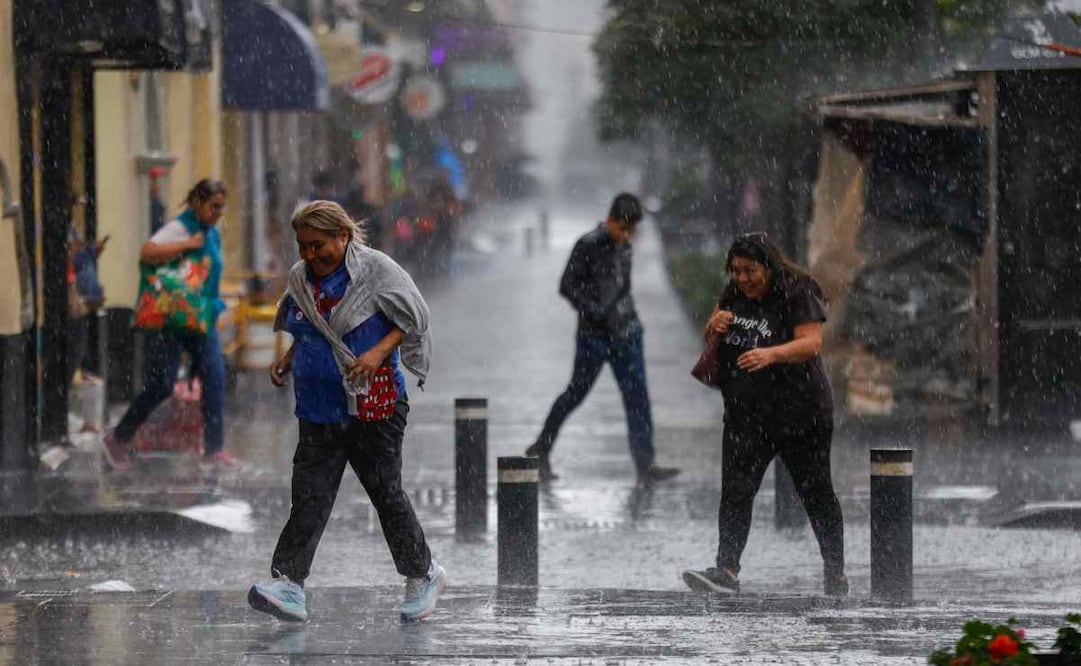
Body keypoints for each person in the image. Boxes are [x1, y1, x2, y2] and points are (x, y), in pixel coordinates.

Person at [247, 200, 444, 623]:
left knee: (385, 493)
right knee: (310, 498)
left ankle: (422, 573)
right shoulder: (301, 278)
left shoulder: (376, 272)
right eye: (303, 246)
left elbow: (413, 317)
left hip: (373, 404)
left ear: (344, 236)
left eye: (319, 245)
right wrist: (289, 356)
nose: (310, 256)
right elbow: (315, 324)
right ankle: (289, 584)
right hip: (318, 406)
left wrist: (376, 353)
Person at [681, 232, 847, 597]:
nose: (742, 279)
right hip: (746, 415)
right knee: (736, 492)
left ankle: (835, 573)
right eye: (736, 271)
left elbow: (811, 343)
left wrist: (771, 354)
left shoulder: (798, 289)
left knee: (816, 493)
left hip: (801, 413)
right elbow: (713, 334)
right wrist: (715, 324)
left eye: (750, 271)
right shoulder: (735, 293)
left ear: (768, 266)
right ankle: (726, 571)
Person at [525, 193, 680, 485]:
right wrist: (594, 311)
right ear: (610, 219)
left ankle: (645, 464)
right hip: (594, 336)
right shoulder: (588, 245)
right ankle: (540, 448)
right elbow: (566, 285)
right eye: (623, 228)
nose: (627, 235)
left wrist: (631, 322)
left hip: (627, 333)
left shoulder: (626, 247)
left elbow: (624, 288)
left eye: (632, 231)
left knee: (638, 399)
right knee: (576, 393)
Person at [102, 179, 241, 470]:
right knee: (161, 385)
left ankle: (214, 449)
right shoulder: (181, 228)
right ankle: (118, 437)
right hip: (171, 321)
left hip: (201, 319)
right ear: (197, 203)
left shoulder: (210, 232)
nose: (218, 213)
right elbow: (148, 252)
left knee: (215, 378)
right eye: (213, 207)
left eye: (221, 208)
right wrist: (186, 245)